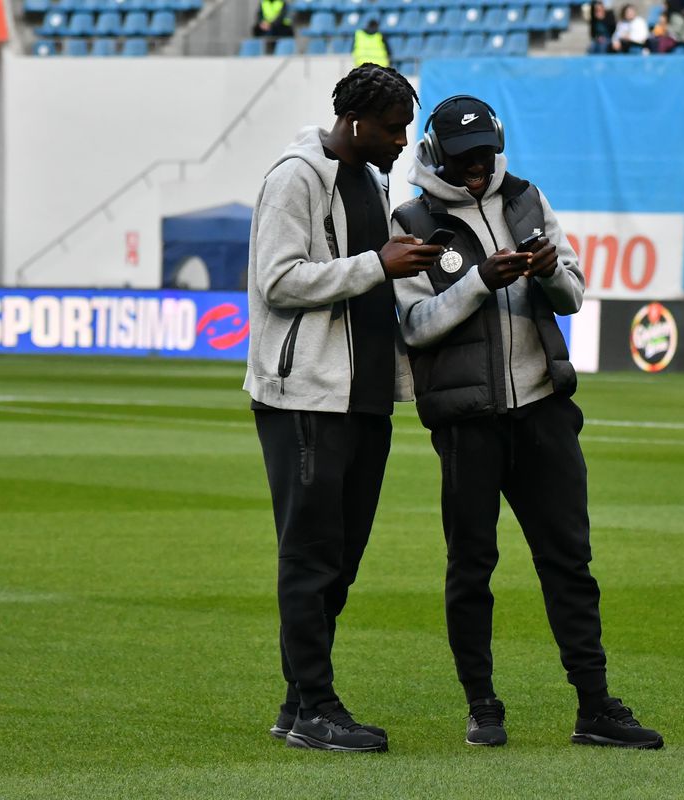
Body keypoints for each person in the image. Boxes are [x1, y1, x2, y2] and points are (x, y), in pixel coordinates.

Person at [391, 95, 664, 751]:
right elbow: (414, 326)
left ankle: (595, 707)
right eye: (463, 160)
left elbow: (574, 292)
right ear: (435, 155)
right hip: (467, 422)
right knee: (472, 566)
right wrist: (480, 281)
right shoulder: (411, 219)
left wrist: (546, 275)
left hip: (542, 408)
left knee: (570, 562)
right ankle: (482, 706)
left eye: (484, 155)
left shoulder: (527, 200)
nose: (477, 170)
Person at [245, 64, 442, 753]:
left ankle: (300, 703)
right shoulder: (294, 178)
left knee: (342, 558)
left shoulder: (374, 180)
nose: (401, 142)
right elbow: (276, 281)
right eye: (392, 129)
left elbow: (374, 272)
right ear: (356, 122)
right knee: (311, 555)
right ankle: (316, 707)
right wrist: (376, 265)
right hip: (305, 395)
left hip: (362, 397)